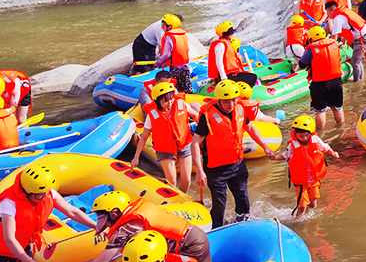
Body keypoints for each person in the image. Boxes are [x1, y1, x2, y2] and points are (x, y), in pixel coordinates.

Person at [65, 190, 216, 262]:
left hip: (188, 247)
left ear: (114, 213)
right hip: (196, 236)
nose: (107, 226)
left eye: (106, 220)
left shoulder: (127, 226)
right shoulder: (136, 211)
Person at [191, 80, 271, 227]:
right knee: (219, 206)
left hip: (237, 164)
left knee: (243, 202)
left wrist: (265, 147)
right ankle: (216, 229)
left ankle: (243, 225)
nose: (231, 104)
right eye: (227, 101)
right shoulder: (208, 115)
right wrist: (199, 171)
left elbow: (250, 128)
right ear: (219, 99)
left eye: (234, 100)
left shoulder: (239, 108)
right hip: (216, 168)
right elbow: (195, 142)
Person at [268, 115, 339, 219]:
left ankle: (308, 217)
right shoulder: (293, 145)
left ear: (310, 134)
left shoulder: (315, 140)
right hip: (301, 181)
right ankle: (298, 221)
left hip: (313, 179)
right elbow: (284, 155)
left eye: (306, 136)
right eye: (301, 136)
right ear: (295, 134)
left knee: (313, 203)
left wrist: (333, 153)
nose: (304, 138)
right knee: (302, 206)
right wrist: (274, 157)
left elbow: (325, 147)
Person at [134, 80, 198, 191]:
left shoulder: (181, 105)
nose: (170, 103)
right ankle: (171, 200)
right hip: (164, 149)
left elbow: (196, 114)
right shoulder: (152, 115)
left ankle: (181, 201)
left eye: (171, 99)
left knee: (186, 180)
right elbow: (144, 137)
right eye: (165, 101)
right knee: (172, 181)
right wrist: (136, 157)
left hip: (183, 144)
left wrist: (199, 135)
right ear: (157, 101)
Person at [297, 27, 345, 134]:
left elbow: (302, 65)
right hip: (336, 82)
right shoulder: (334, 44)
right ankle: (341, 130)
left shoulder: (311, 49)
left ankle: (320, 135)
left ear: (312, 39)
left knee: (320, 111)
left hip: (320, 84)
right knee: (337, 107)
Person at [326, 0, 366, 81]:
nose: (327, 15)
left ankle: (357, 83)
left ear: (332, 10)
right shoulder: (342, 13)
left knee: (355, 62)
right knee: (357, 61)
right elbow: (347, 29)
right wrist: (343, 43)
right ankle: (361, 80)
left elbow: (334, 38)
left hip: (362, 37)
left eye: (327, 12)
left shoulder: (337, 18)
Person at [207, 22, 257, 89]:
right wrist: (223, 77)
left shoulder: (226, 43)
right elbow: (219, 61)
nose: (232, 34)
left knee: (253, 76)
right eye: (230, 33)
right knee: (252, 77)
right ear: (225, 33)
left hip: (231, 73)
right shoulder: (220, 45)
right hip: (226, 75)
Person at [154, 13, 193, 95]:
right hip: (185, 66)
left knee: (175, 87)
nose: (162, 27)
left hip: (175, 67)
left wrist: (158, 63)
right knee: (186, 86)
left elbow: (167, 54)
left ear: (170, 26)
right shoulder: (183, 35)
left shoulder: (169, 36)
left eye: (163, 25)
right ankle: (189, 98)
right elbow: (187, 49)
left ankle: (177, 102)